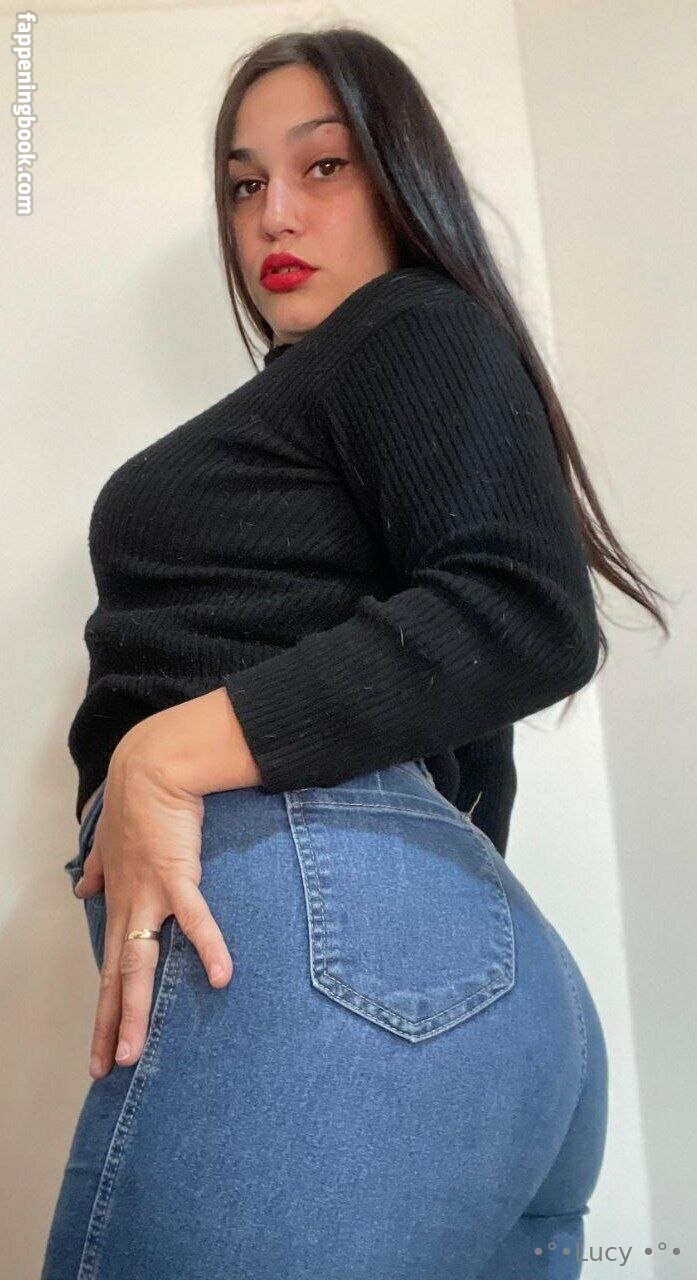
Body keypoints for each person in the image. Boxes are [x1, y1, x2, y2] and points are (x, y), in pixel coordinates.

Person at [42, 27, 670, 1280]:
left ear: (401, 177)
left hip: (333, 946)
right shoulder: (361, 381)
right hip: (459, 997)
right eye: (243, 184)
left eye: (322, 166)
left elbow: (521, 606)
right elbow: (465, 728)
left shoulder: (408, 324)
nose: (273, 213)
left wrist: (161, 753)